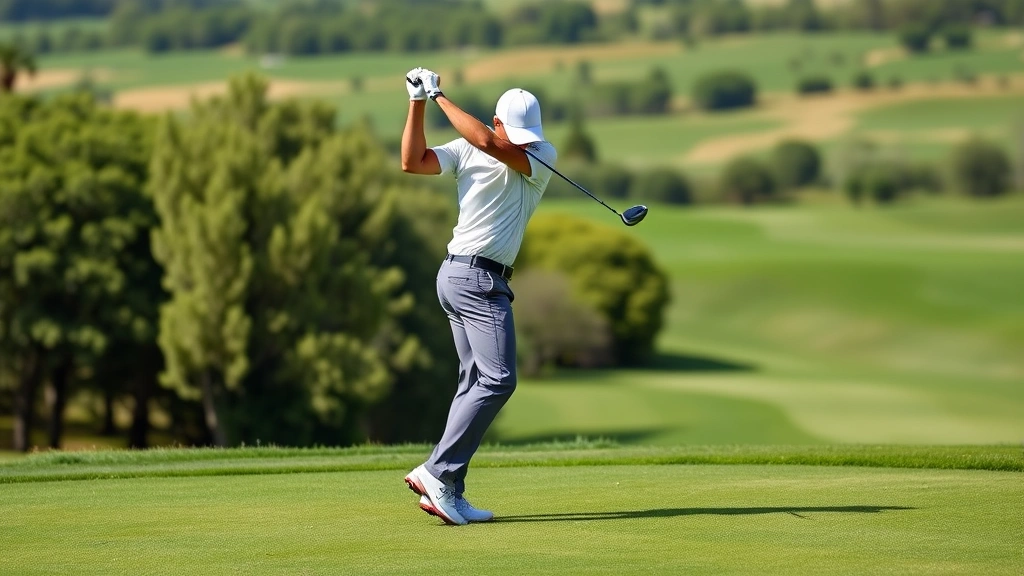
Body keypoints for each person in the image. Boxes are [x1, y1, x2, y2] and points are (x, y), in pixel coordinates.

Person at [398, 67, 557, 525]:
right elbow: (413, 162)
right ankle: (437, 471)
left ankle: (448, 488)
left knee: (475, 382)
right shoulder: (469, 145)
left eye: (530, 135)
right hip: (472, 280)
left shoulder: (541, 154)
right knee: (499, 379)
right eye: (516, 132)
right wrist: (419, 103)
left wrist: (439, 96)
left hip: (466, 279)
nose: (525, 141)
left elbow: (490, 144)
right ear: (497, 120)